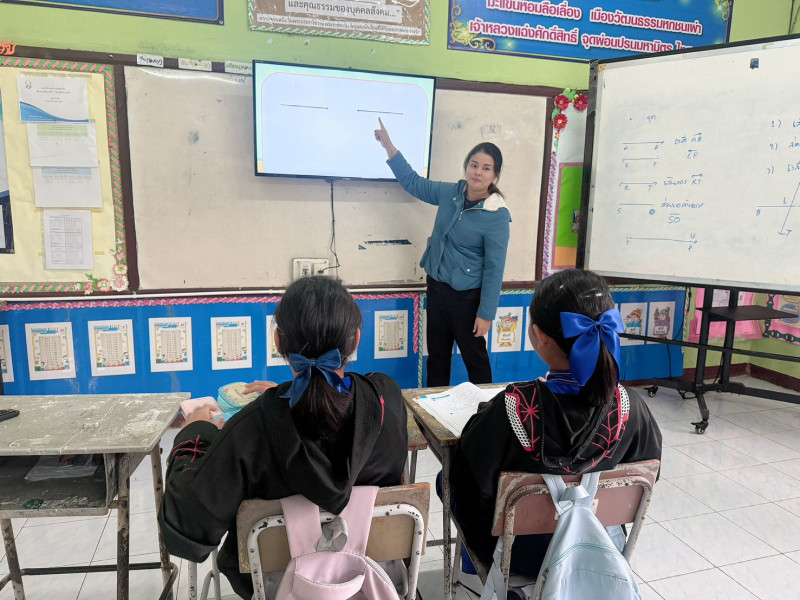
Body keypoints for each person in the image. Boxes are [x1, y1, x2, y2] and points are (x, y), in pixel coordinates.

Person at [158, 276, 408, 599]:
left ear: (277, 342)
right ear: (356, 338)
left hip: (277, 588)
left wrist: (194, 431)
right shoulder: (387, 400)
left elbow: (186, 527)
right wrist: (291, 395)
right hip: (373, 579)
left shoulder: (252, 428)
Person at [447, 268, 662, 578]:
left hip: (520, 555)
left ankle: (496, 577)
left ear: (540, 336)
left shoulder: (513, 408)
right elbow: (645, 479)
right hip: (599, 546)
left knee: (448, 478)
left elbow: (469, 484)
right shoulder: (632, 407)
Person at [374, 118, 511, 386]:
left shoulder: (497, 215)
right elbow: (413, 183)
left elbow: (495, 269)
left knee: (475, 358)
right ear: (466, 166)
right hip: (437, 288)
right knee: (436, 357)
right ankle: (434, 407)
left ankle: (487, 406)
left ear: (495, 176)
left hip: (468, 298)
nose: (477, 172)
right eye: (473, 165)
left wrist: (486, 314)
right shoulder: (451, 193)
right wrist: (389, 146)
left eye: (486, 168)